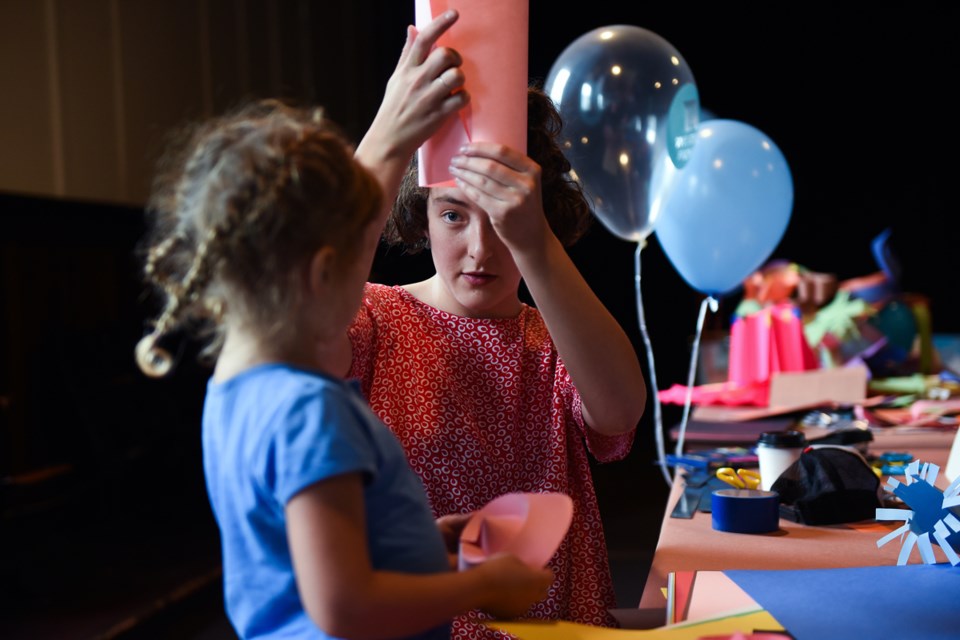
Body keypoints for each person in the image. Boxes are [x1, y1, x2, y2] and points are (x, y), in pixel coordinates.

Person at [132, 82, 554, 640]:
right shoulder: (308, 409)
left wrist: (421, 543)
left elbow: (301, 550)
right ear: (322, 272)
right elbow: (343, 606)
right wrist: (481, 587)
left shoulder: (234, 391)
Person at [345, 11, 648, 633]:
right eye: (454, 216)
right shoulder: (375, 317)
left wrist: (535, 245)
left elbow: (618, 412)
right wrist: (390, 133)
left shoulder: (551, 339)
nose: (482, 251)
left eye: (504, 221)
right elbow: (300, 305)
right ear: (421, 213)